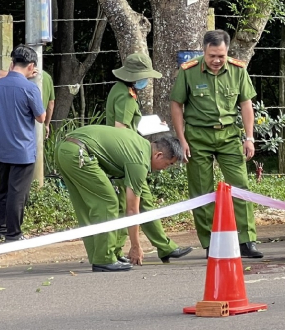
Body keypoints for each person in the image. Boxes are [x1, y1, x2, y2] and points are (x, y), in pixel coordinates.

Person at [170, 29, 262, 258]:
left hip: (228, 136)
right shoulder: (189, 71)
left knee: (240, 186)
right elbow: (176, 105)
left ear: (227, 51)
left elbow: (246, 104)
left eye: (221, 55)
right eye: (212, 56)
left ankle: (246, 240)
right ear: (204, 51)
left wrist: (249, 137)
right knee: (202, 191)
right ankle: (211, 243)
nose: (217, 60)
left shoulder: (238, 70)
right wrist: (182, 139)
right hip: (197, 137)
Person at [55, 126, 183, 272]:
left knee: (85, 205)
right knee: (108, 202)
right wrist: (135, 246)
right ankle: (104, 259)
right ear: (158, 155)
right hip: (79, 152)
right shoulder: (139, 161)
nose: (165, 169)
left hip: (65, 148)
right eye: (168, 164)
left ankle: (101, 255)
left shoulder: (139, 143)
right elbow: (132, 210)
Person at [105, 53, 192, 263]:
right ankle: (145, 248)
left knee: (136, 204)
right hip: (129, 157)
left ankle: (157, 247)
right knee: (134, 205)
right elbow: (121, 129)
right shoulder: (126, 96)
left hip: (125, 156)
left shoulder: (121, 90)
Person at [0, 46, 46, 242]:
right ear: (31, 66)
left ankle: (1, 227)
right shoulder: (30, 88)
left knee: (4, 189)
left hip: (2, 146)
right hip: (23, 149)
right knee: (18, 193)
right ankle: (14, 234)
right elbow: (41, 117)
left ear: (12, 63)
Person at [38, 70, 55, 139]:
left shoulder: (20, 75)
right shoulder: (47, 77)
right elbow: (51, 103)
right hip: (40, 126)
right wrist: (46, 124)